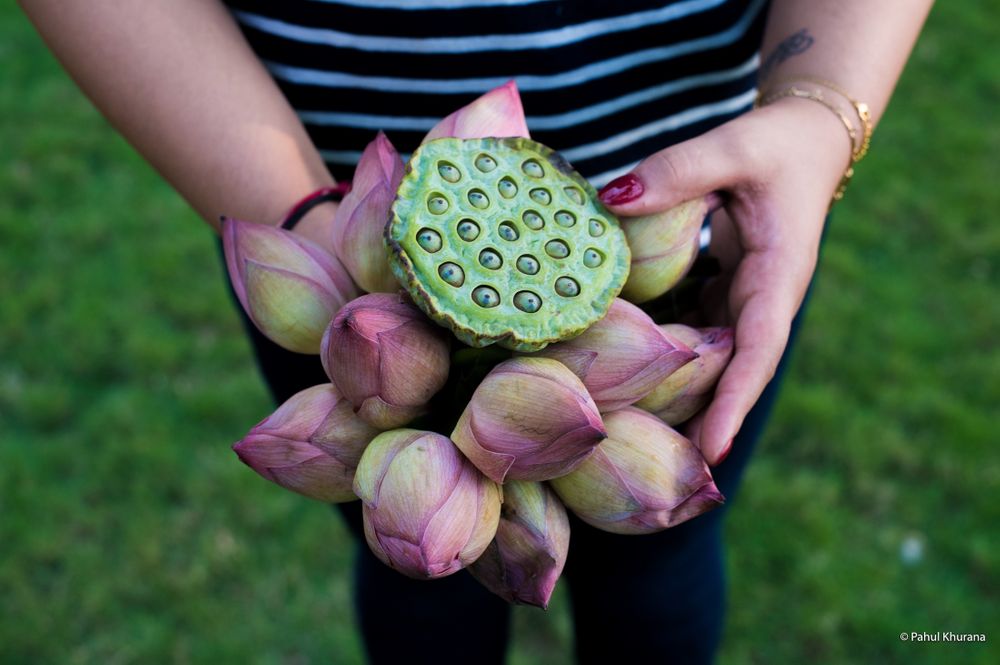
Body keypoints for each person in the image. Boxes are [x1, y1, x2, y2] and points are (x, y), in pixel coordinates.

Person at [19, 1, 932, 662]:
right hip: (348, 263)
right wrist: (297, 216)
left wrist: (820, 110)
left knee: (661, 552)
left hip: (710, 238)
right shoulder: (347, 283)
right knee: (424, 564)